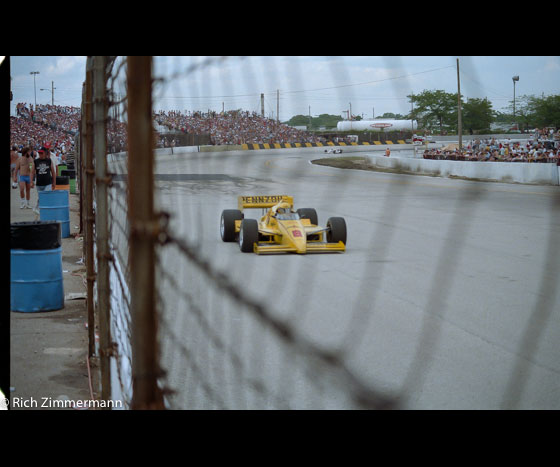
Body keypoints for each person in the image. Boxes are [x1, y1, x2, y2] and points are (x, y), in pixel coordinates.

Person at [33, 146, 56, 213]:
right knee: (41, 196)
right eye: (39, 153)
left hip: (48, 182)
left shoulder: (49, 160)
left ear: (45, 153)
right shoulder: (36, 161)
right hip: (39, 183)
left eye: (41, 153)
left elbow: (53, 172)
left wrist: (54, 182)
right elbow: (32, 172)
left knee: (46, 195)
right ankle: (37, 207)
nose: (40, 154)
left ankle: (44, 209)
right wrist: (32, 181)